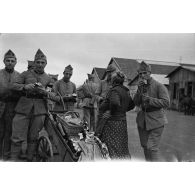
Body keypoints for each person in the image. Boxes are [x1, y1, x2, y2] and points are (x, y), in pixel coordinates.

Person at [10, 49, 54, 161]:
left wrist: (45, 91)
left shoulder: (48, 78)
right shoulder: (25, 74)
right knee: (17, 136)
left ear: (46, 64)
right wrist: (25, 87)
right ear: (34, 63)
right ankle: (13, 160)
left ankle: (30, 159)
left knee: (33, 137)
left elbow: (51, 93)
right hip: (23, 107)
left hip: (39, 110)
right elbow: (13, 85)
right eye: (38, 62)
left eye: (42, 62)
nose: (40, 64)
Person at [133, 61, 170, 162]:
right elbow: (136, 102)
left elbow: (166, 102)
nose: (142, 75)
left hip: (156, 120)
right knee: (145, 146)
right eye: (140, 74)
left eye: (145, 73)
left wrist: (150, 100)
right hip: (142, 121)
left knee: (152, 147)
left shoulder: (159, 86)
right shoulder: (141, 86)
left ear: (150, 72)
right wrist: (139, 90)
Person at [98, 71, 135, 160]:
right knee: (121, 146)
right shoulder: (125, 91)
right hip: (121, 122)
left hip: (113, 124)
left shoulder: (114, 90)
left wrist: (111, 112)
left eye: (111, 79)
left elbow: (114, 103)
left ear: (113, 81)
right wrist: (122, 111)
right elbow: (132, 105)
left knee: (112, 146)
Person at [0, 50, 20, 160]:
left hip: (12, 108)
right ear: (4, 61)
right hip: (0, 106)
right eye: (8, 60)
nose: (10, 62)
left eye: (12, 61)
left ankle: (5, 156)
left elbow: (22, 92)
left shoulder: (19, 76)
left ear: (16, 62)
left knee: (9, 133)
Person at [95, 65, 116, 131]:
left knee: (110, 129)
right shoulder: (102, 82)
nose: (109, 74)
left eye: (111, 72)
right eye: (108, 72)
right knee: (99, 127)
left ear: (114, 72)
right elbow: (96, 95)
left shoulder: (116, 83)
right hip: (102, 108)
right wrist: (100, 99)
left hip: (112, 110)